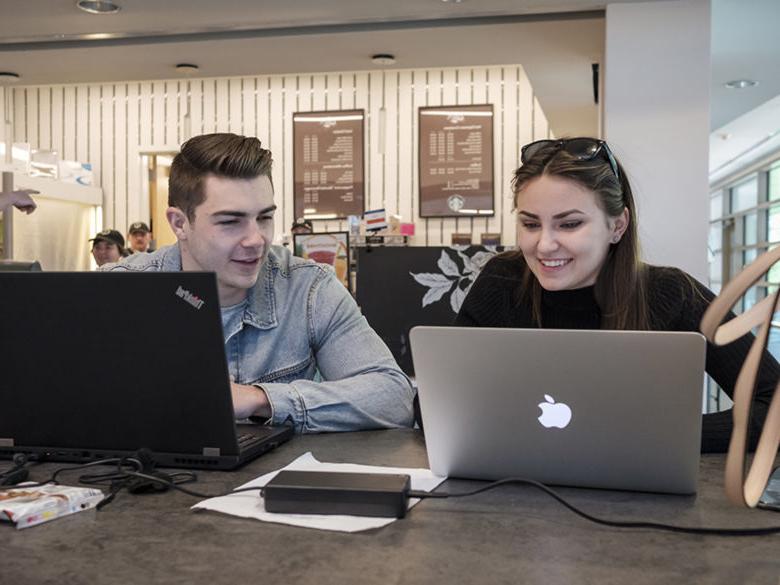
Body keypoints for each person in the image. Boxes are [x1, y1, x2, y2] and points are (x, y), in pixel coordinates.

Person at [455, 137, 777, 453]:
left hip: (638, 497)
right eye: (530, 224)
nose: (544, 245)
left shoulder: (671, 293)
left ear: (617, 226)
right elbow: (437, 404)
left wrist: (664, 436)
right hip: (513, 486)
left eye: (569, 224)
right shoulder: (501, 280)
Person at [101, 132, 414, 432]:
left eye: (264, 218)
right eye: (230, 222)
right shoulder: (117, 291)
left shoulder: (308, 288)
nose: (256, 240)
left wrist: (259, 399)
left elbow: (393, 397)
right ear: (180, 223)